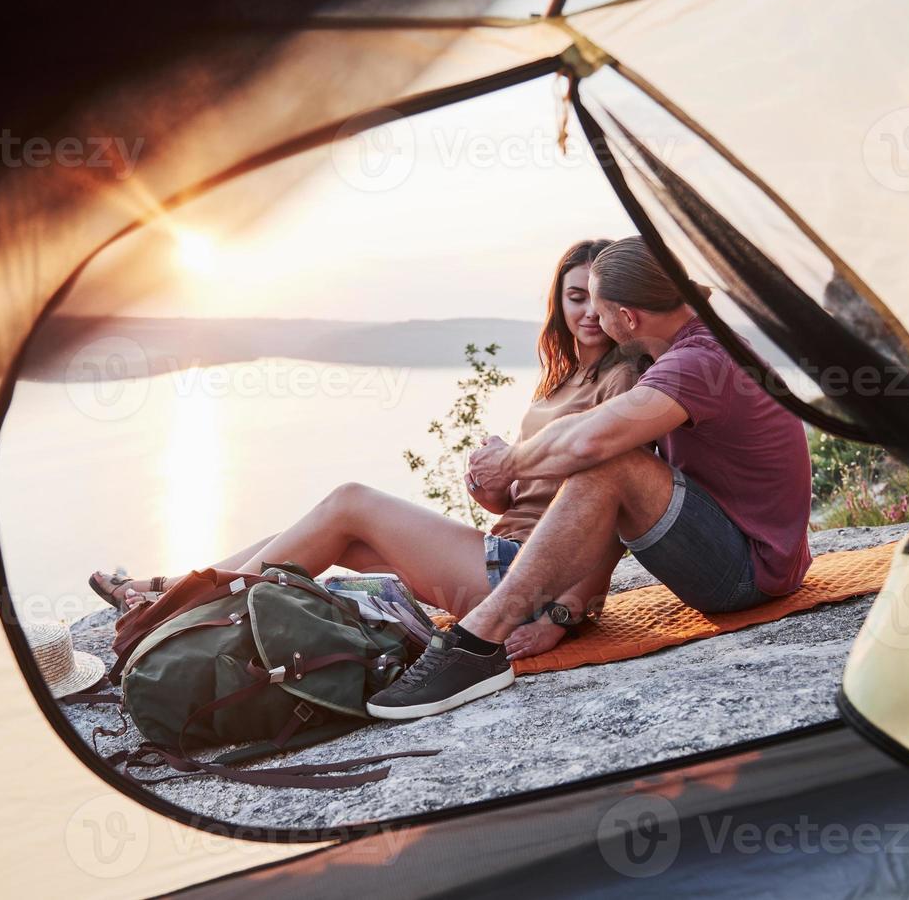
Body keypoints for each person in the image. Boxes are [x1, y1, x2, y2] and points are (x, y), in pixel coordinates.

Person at [89, 238, 655, 661]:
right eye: (574, 297)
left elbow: (611, 511)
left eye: (597, 299)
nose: (587, 312)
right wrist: (492, 488)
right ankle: (164, 591)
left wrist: (562, 615)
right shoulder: (561, 383)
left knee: (350, 501)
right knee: (318, 539)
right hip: (496, 557)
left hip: (528, 581)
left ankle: (167, 615)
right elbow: (527, 498)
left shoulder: (624, 379)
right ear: (559, 304)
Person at [364, 235, 812, 719]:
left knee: (611, 461)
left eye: (600, 309)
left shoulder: (698, 361)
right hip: (745, 554)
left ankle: (477, 642)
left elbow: (587, 443)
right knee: (612, 458)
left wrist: (510, 461)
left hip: (748, 574)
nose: (595, 320)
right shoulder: (693, 346)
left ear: (628, 318)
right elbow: (585, 437)